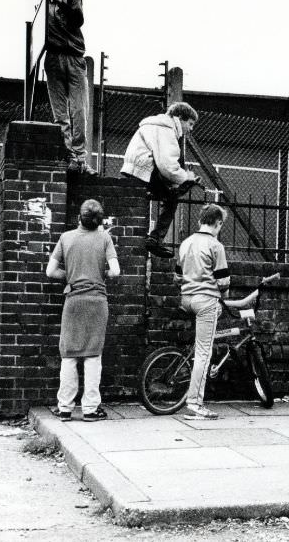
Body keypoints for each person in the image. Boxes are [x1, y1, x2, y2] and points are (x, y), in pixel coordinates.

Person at [46, 199, 120, 422]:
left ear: (80, 217)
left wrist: (69, 277)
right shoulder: (104, 237)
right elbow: (115, 271)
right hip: (97, 301)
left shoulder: (66, 238)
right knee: (92, 356)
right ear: (99, 220)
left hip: (74, 300)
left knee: (68, 355)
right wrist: (100, 276)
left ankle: (65, 408)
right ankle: (90, 409)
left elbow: (50, 271)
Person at [37, 0, 96, 176]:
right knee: (60, 113)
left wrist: (58, 2)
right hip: (53, 59)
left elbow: (77, 19)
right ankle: (70, 157)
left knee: (79, 109)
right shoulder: (43, 6)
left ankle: (81, 159)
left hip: (74, 58)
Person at [121, 101, 201, 258]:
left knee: (171, 193)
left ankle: (153, 238)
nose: (190, 129)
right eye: (190, 124)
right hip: (145, 170)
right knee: (172, 198)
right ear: (180, 118)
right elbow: (167, 165)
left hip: (135, 168)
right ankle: (155, 240)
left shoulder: (154, 124)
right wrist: (186, 176)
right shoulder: (166, 129)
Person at [173, 203, 230, 420]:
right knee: (203, 354)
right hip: (206, 301)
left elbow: (178, 276)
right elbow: (223, 280)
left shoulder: (186, 243)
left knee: (199, 348)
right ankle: (195, 403)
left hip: (186, 299)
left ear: (200, 221)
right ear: (218, 223)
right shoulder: (216, 246)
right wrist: (223, 297)